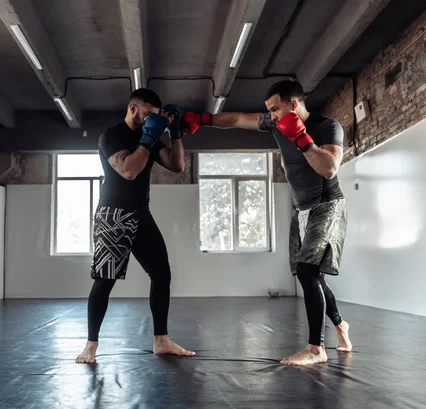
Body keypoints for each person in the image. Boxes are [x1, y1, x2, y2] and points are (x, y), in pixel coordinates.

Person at [181, 79, 352, 366]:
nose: (271, 116)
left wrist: (302, 139)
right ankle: (340, 325)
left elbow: (329, 168)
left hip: (327, 204)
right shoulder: (275, 122)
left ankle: (315, 349)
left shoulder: (327, 126)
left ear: (293, 105)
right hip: (301, 209)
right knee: (311, 275)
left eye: (275, 109)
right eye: (269, 111)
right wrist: (203, 119)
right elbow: (236, 118)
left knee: (308, 272)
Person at [76, 88, 196, 364]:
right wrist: (149, 137)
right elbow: (129, 171)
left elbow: (177, 166)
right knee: (105, 281)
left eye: (156, 117)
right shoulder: (112, 136)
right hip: (113, 215)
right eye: (147, 115)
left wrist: (175, 132)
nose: (152, 121)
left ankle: (161, 340)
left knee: (162, 274)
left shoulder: (151, 137)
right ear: (133, 108)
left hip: (141, 213)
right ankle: (91, 345)